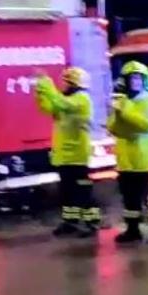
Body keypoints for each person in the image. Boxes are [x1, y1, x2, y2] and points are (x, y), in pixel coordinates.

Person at [34, 66, 100, 237]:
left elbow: (59, 103)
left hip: (78, 155)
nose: (63, 85)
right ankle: (71, 222)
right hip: (64, 155)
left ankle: (91, 223)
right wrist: (40, 91)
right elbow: (48, 107)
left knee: (82, 192)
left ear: (74, 83)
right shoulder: (67, 99)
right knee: (67, 192)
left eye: (66, 82)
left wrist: (46, 83)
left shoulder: (82, 99)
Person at [108, 61, 148, 244]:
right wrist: (119, 114)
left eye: (138, 77)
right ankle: (133, 229)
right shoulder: (123, 101)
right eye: (131, 77)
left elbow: (145, 125)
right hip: (127, 161)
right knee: (129, 199)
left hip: (147, 160)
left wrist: (123, 110)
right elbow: (113, 128)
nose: (135, 81)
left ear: (144, 80)